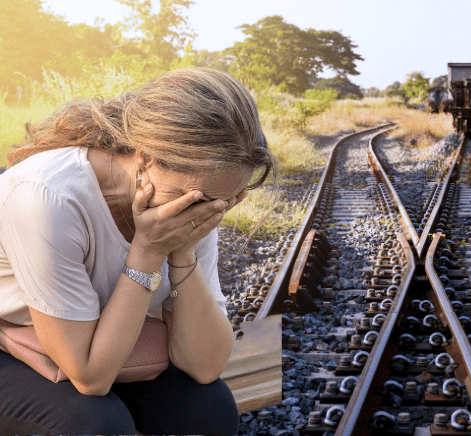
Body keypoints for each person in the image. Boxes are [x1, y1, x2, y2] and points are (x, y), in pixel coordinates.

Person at [0, 67, 277, 434]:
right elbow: (90, 377)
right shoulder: (47, 198)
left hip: (102, 342)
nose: (208, 212)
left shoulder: (195, 197)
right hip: (18, 347)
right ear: (145, 157)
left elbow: (205, 366)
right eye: (198, 200)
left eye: (226, 201)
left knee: (210, 410)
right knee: (95, 424)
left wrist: (182, 252)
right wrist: (148, 251)